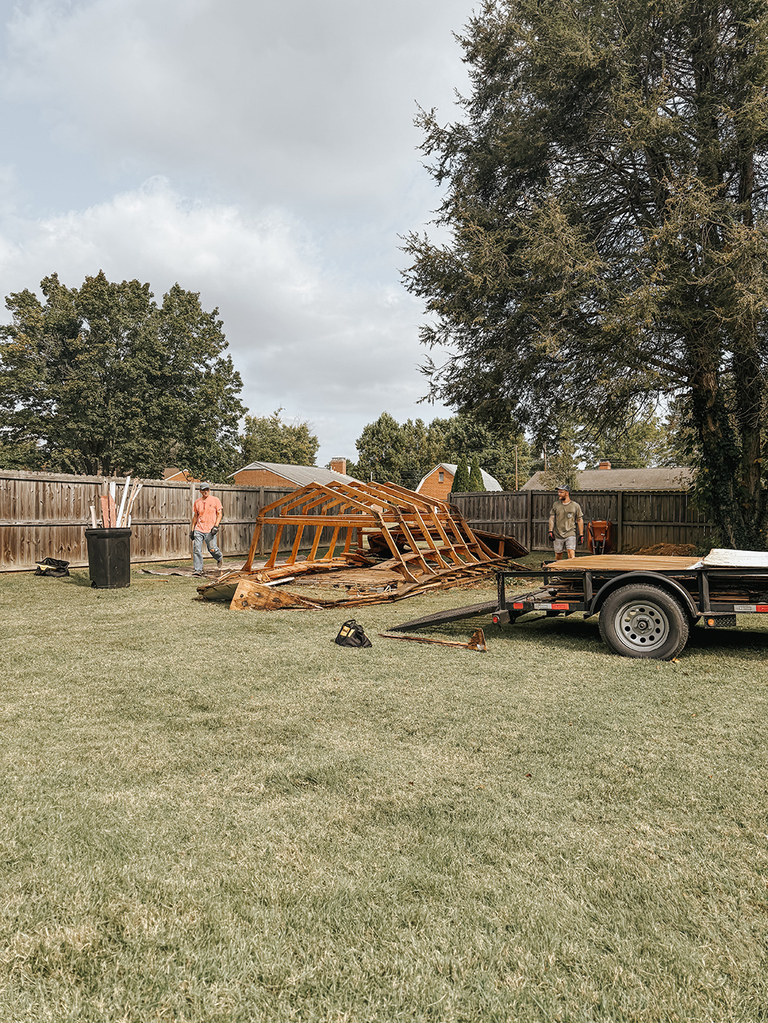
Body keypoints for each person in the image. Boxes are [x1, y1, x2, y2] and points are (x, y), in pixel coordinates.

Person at [190, 482, 223, 576]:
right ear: (200, 491)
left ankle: (219, 557)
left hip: (210, 529)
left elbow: (219, 514)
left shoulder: (215, 500)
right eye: (203, 490)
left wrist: (216, 526)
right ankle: (198, 570)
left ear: (209, 490)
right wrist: (192, 530)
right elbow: (195, 516)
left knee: (212, 549)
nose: (205, 491)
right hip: (199, 529)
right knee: (196, 549)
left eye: (207, 489)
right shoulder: (197, 502)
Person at [548, 485, 584, 561]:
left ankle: (571, 571)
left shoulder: (575, 505)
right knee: (558, 555)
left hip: (570, 533)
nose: (559, 494)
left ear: (567, 493)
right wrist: (550, 531)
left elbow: (579, 520)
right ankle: (558, 571)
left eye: (561, 492)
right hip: (558, 534)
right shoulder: (556, 505)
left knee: (571, 553)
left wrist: (581, 535)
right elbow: (552, 518)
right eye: (558, 492)